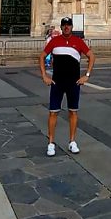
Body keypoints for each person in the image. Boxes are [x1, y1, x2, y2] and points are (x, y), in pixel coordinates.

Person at [39, 16, 95, 157]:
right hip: (57, 82)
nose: (66, 27)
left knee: (73, 112)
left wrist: (87, 75)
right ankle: (51, 143)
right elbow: (42, 56)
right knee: (53, 112)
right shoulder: (55, 41)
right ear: (61, 26)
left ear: (72, 27)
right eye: (64, 25)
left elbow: (91, 56)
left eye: (68, 25)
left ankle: (72, 142)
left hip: (73, 82)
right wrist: (44, 75)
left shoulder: (78, 41)